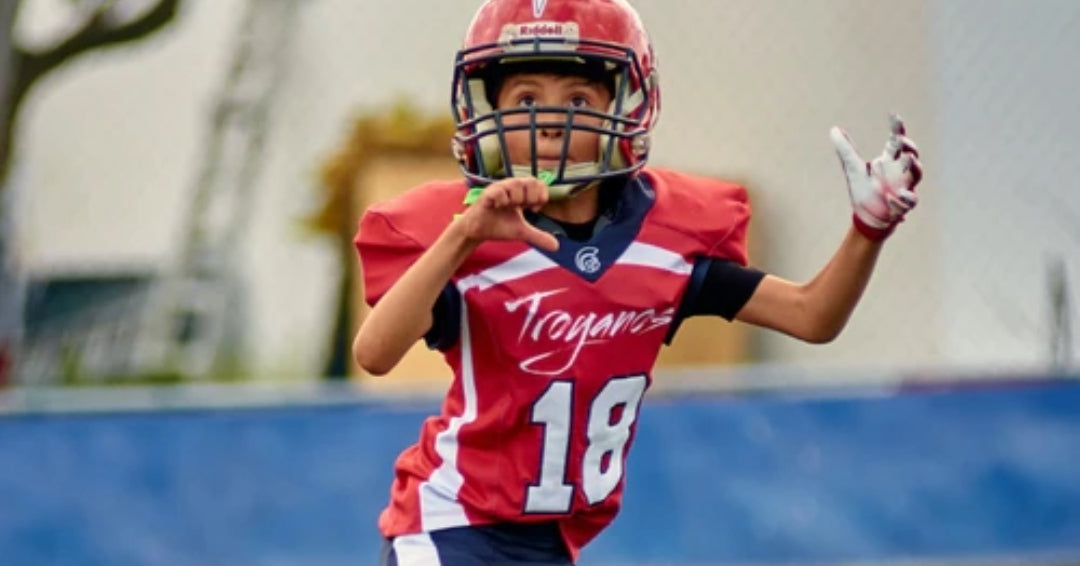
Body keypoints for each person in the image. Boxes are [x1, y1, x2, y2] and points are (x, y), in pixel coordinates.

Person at [352, 0, 924, 564]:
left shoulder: (661, 243)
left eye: (577, 98)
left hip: (552, 544)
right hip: (449, 520)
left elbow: (813, 316)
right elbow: (375, 354)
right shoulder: (470, 237)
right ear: (488, 109)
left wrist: (867, 230)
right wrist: (462, 237)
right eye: (526, 98)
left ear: (625, 106)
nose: (549, 119)